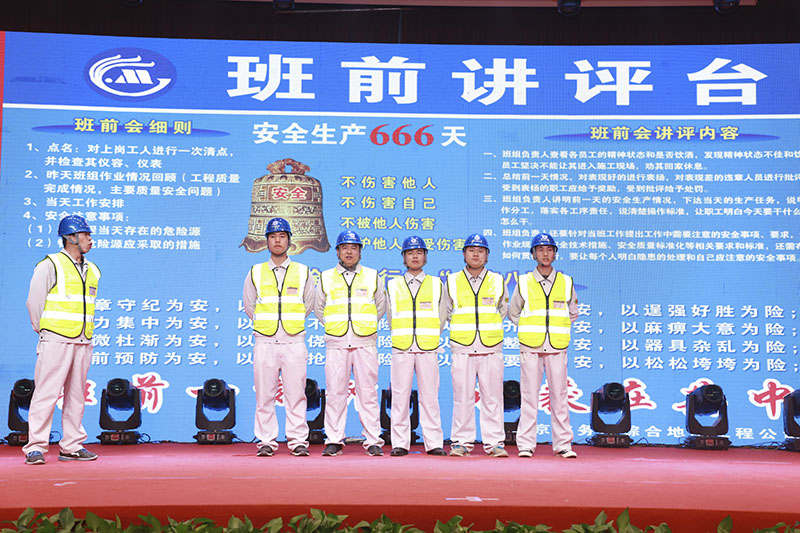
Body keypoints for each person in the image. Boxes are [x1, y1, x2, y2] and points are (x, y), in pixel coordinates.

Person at [22, 215, 101, 465]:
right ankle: (35, 447)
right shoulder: (50, 265)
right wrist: (43, 330)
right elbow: (34, 302)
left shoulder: (92, 269)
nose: (90, 239)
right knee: (46, 393)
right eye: (85, 234)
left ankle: (72, 446)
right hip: (55, 339)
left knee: (77, 396)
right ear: (70, 237)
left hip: (83, 340)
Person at [242, 217, 315, 457]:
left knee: (296, 394)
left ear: (289, 241)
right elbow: (249, 306)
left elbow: (309, 303)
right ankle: (266, 441)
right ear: (266, 241)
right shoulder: (255, 271)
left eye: (282, 236)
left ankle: (298, 441)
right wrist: (269, 325)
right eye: (273, 236)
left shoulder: (303, 271)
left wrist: (288, 323)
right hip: (265, 341)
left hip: (294, 340)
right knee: (265, 395)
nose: (277, 241)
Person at [315, 230, 386, 456]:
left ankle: (373, 440)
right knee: (335, 393)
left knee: (368, 393)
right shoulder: (326, 277)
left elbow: (381, 306)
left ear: (360, 252)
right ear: (337, 251)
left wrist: (363, 326)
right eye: (344, 247)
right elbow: (318, 308)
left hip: (365, 342)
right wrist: (337, 327)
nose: (349, 252)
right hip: (336, 343)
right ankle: (334, 440)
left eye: (354, 247)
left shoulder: (373, 276)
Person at [508, 233, 579, 459]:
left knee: (559, 396)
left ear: (555, 253)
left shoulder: (566, 282)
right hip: (530, 347)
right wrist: (531, 330)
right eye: (540, 249)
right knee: (529, 397)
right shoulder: (524, 281)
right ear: (533, 254)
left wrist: (554, 330)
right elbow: (513, 312)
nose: (545, 254)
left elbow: (572, 313)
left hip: (557, 347)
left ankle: (563, 445)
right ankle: (526, 445)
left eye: (549, 249)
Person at [443, 233, 509, 457]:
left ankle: (494, 443)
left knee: (493, 397)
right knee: (462, 397)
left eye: (481, 251)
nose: (476, 254)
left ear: (487, 256)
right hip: (462, 346)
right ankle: (461, 442)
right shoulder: (452, 281)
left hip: (490, 347)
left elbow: (503, 310)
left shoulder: (497, 280)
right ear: (464, 254)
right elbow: (446, 312)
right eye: (471, 250)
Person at [386, 236, 447, 457]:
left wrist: (428, 336)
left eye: (419, 252)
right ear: (404, 257)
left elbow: (442, 316)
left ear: (425, 257)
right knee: (400, 397)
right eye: (410, 252)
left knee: (430, 397)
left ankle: (434, 442)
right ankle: (400, 443)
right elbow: (390, 316)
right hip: (402, 347)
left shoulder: (437, 284)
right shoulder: (393, 285)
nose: (415, 256)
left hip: (427, 347)